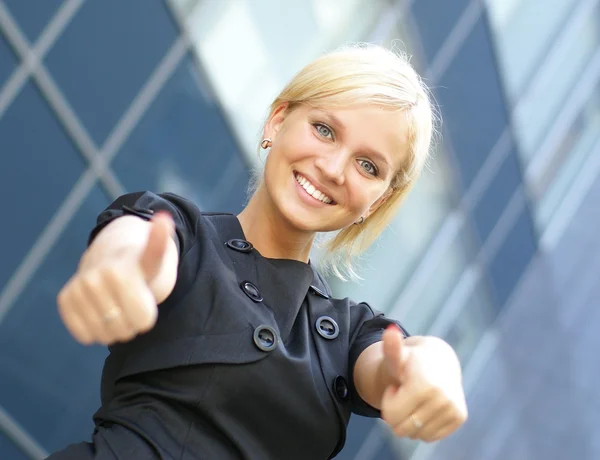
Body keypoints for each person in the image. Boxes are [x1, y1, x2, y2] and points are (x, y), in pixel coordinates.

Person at [48, 44, 467, 460]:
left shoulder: (350, 333)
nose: (334, 168)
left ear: (375, 203)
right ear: (278, 121)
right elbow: (135, 248)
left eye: (367, 166)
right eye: (324, 130)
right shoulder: (179, 232)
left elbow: (398, 362)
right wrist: (120, 270)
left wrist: (435, 367)